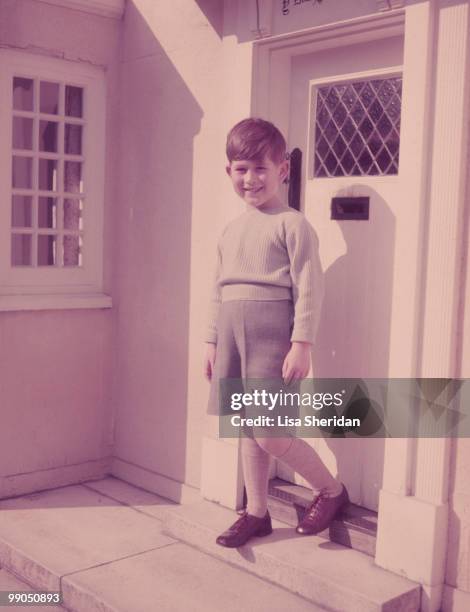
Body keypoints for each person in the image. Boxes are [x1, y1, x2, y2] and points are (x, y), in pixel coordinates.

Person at [204, 117, 349, 548]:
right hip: (233, 335)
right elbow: (218, 290)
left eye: (261, 168)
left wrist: (302, 343)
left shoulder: (292, 224)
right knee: (247, 428)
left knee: (269, 429)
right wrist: (212, 341)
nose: (251, 179)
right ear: (228, 171)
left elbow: (309, 287)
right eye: (241, 169)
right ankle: (257, 513)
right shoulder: (231, 230)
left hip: (272, 336)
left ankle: (331, 490)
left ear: (282, 170)